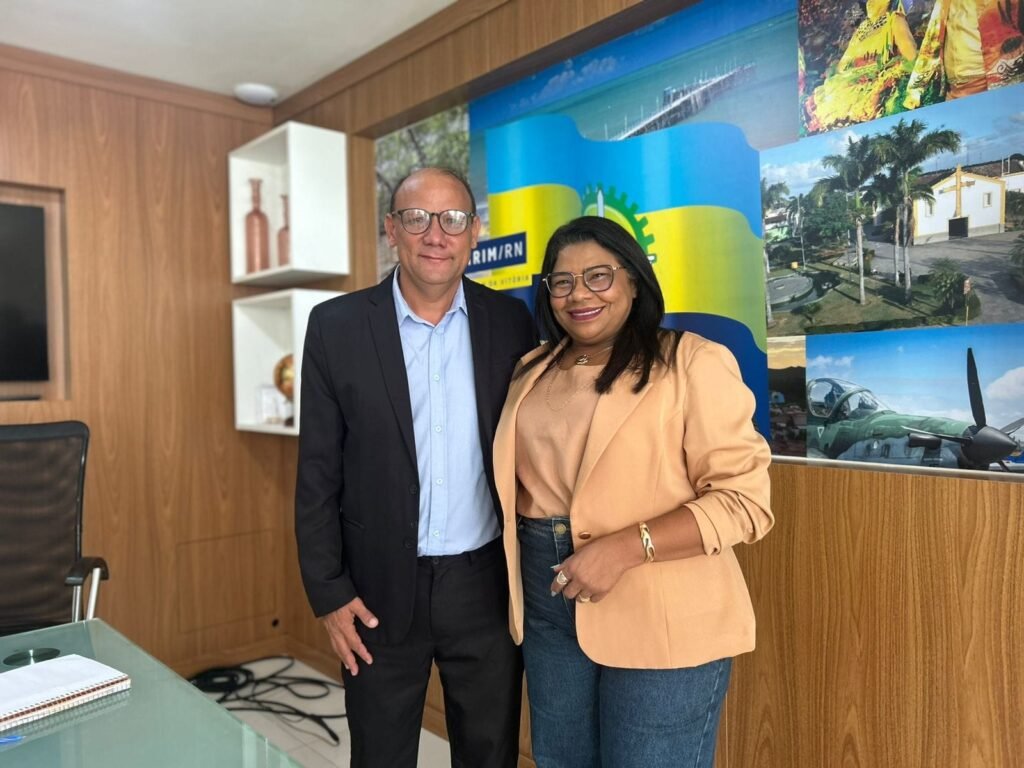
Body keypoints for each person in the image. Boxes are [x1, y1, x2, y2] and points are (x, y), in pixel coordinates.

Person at [492, 216, 773, 767]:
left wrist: (626, 547)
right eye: (562, 281)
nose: (580, 295)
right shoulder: (532, 370)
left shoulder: (692, 361)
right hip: (549, 599)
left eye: (599, 276)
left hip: (660, 602)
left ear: (635, 281)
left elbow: (745, 502)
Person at [295, 167, 536, 767]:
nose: (436, 234)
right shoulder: (336, 327)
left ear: (473, 232)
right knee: (380, 755)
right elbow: (317, 473)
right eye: (417, 218)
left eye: (452, 219)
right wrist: (329, 594)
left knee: (489, 753)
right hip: (375, 591)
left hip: (483, 587)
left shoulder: (512, 322)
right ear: (391, 230)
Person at [804, 0, 919, 132]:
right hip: (849, 85)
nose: (870, 3)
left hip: (876, 83)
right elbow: (843, 65)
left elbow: (910, 53)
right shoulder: (862, 28)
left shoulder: (895, 19)